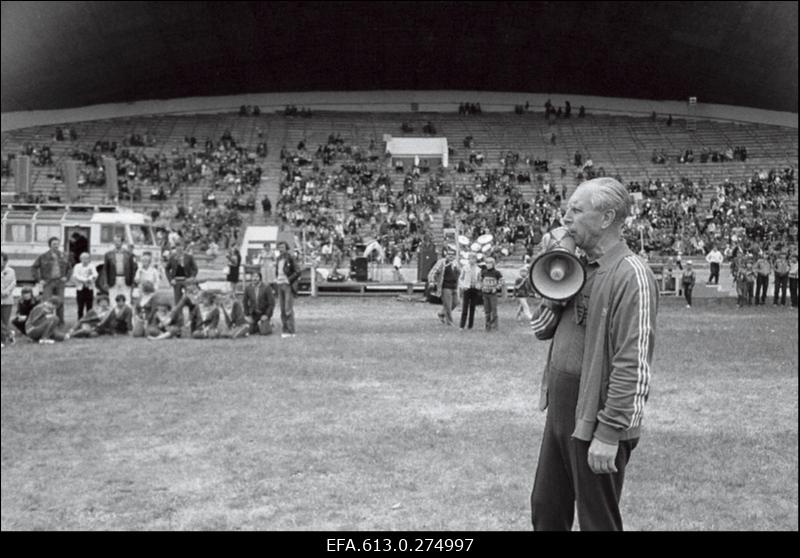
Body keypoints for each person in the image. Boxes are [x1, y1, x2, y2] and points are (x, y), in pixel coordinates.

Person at [530, 177, 659, 531]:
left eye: (576, 210)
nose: (565, 218)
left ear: (606, 218)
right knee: (546, 510)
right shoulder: (577, 266)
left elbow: (633, 364)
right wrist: (553, 282)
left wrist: (609, 433)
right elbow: (541, 330)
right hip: (561, 413)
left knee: (597, 522)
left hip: (598, 420)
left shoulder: (631, 274)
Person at [31, 236, 71, 324]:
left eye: (57, 244)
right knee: (47, 302)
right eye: (54, 244)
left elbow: (69, 268)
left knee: (60, 302)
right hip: (48, 282)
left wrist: (66, 277)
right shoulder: (43, 256)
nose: (56, 246)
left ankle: (60, 322)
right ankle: (47, 321)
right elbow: (34, 267)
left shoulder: (64, 256)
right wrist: (39, 279)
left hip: (60, 282)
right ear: (50, 245)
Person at [275, 241, 301, 337]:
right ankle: (285, 329)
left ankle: (291, 330)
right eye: (279, 247)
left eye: (282, 247)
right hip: (279, 284)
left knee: (288, 308)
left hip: (287, 285)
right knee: (282, 308)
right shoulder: (278, 259)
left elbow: (298, 271)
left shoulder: (291, 258)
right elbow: (277, 271)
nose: (280, 249)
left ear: (286, 248)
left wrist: (289, 279)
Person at [427, 248, 459, 326]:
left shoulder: (456, 263)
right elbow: (432, 273)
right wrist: (431, 282)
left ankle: (441, 314)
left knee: (456, 302)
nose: (451, 256)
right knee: (448, 305)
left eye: (452, 255)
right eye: (449, 254)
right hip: (445, 286)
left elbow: (459, 274)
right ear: (446, 255)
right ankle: (449, 322)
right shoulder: (442, 262)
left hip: (454, 286)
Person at [103, 235, 137, 305]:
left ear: (122, 242)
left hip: (126, 279)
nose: (116, 243)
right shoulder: (108, 254)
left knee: (127, 297)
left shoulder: (129, 254)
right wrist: (105, 282)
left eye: (118, 241)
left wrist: (133, 281)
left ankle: (126, 310)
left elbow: (133, 269)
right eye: (115, 241)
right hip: (113, 279)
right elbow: (105, 269)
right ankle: (114, 310)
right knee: (112, 297)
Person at [71, 252, 98, 320]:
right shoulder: (77, 266)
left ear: (89, 259)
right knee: (80, 306)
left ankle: (89, 320)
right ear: (80, 259)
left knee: (89, 306)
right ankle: (80, 320)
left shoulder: (92, 266)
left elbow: (95, 274)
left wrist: (89, 279)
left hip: (89, 288)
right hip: (80, 288)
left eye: (87, 258)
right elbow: (76, 275)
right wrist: (85, 280)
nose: (85, 260)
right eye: (83, 258)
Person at [458, 253, 482, 330]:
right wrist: (463, 286)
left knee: (472, 307)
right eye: (470, 259)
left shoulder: (478, 269)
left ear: (476, 260)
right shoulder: (465, 268)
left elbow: (479, 279)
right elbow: (460, 278)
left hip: (474, 289)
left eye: (473, 259)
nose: (472, 260)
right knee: (465, 307)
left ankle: (470, 325)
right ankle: (462, 325)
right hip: (467, 288)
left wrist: (479, 286)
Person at [480, 257, 504, 331]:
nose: (488, 265)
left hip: (493, 294)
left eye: (490, 263)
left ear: (493, 264)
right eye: (487, 263)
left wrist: (496, 288)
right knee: (487, 311)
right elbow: (480, 281)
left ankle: (495, 326)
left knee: (494, 310)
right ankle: (487, 326)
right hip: (485, 293)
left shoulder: (497, 273)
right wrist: (482, 287)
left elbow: (501, 282)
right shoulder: (484, 272)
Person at [1, 252, 16, 347]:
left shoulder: (10, 271)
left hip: (7, 300)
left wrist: (5, 292)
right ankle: (9, 334)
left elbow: (13, 283)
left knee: (4, 321)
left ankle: (3, 340)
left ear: (5, 261)